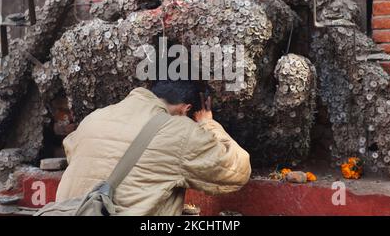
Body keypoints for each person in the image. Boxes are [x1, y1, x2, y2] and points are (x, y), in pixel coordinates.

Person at [56, 81, 251, 215]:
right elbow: (236, 170)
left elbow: (72, 150)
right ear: (186, 109)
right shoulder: (179, 131)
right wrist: (208, 124)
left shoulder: (94, 118)